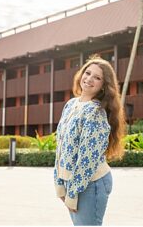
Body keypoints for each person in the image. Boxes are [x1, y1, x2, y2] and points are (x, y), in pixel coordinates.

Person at [53, 57, 126, 226]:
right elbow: (61, 147)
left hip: (90, 184)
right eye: (87, 73)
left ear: (104, 86)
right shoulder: (71, 104)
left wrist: (73, 192)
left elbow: (88, 158)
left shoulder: (95, 111)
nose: (89, 79)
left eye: (97, 77)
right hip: (73, 183)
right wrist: (59, 181)